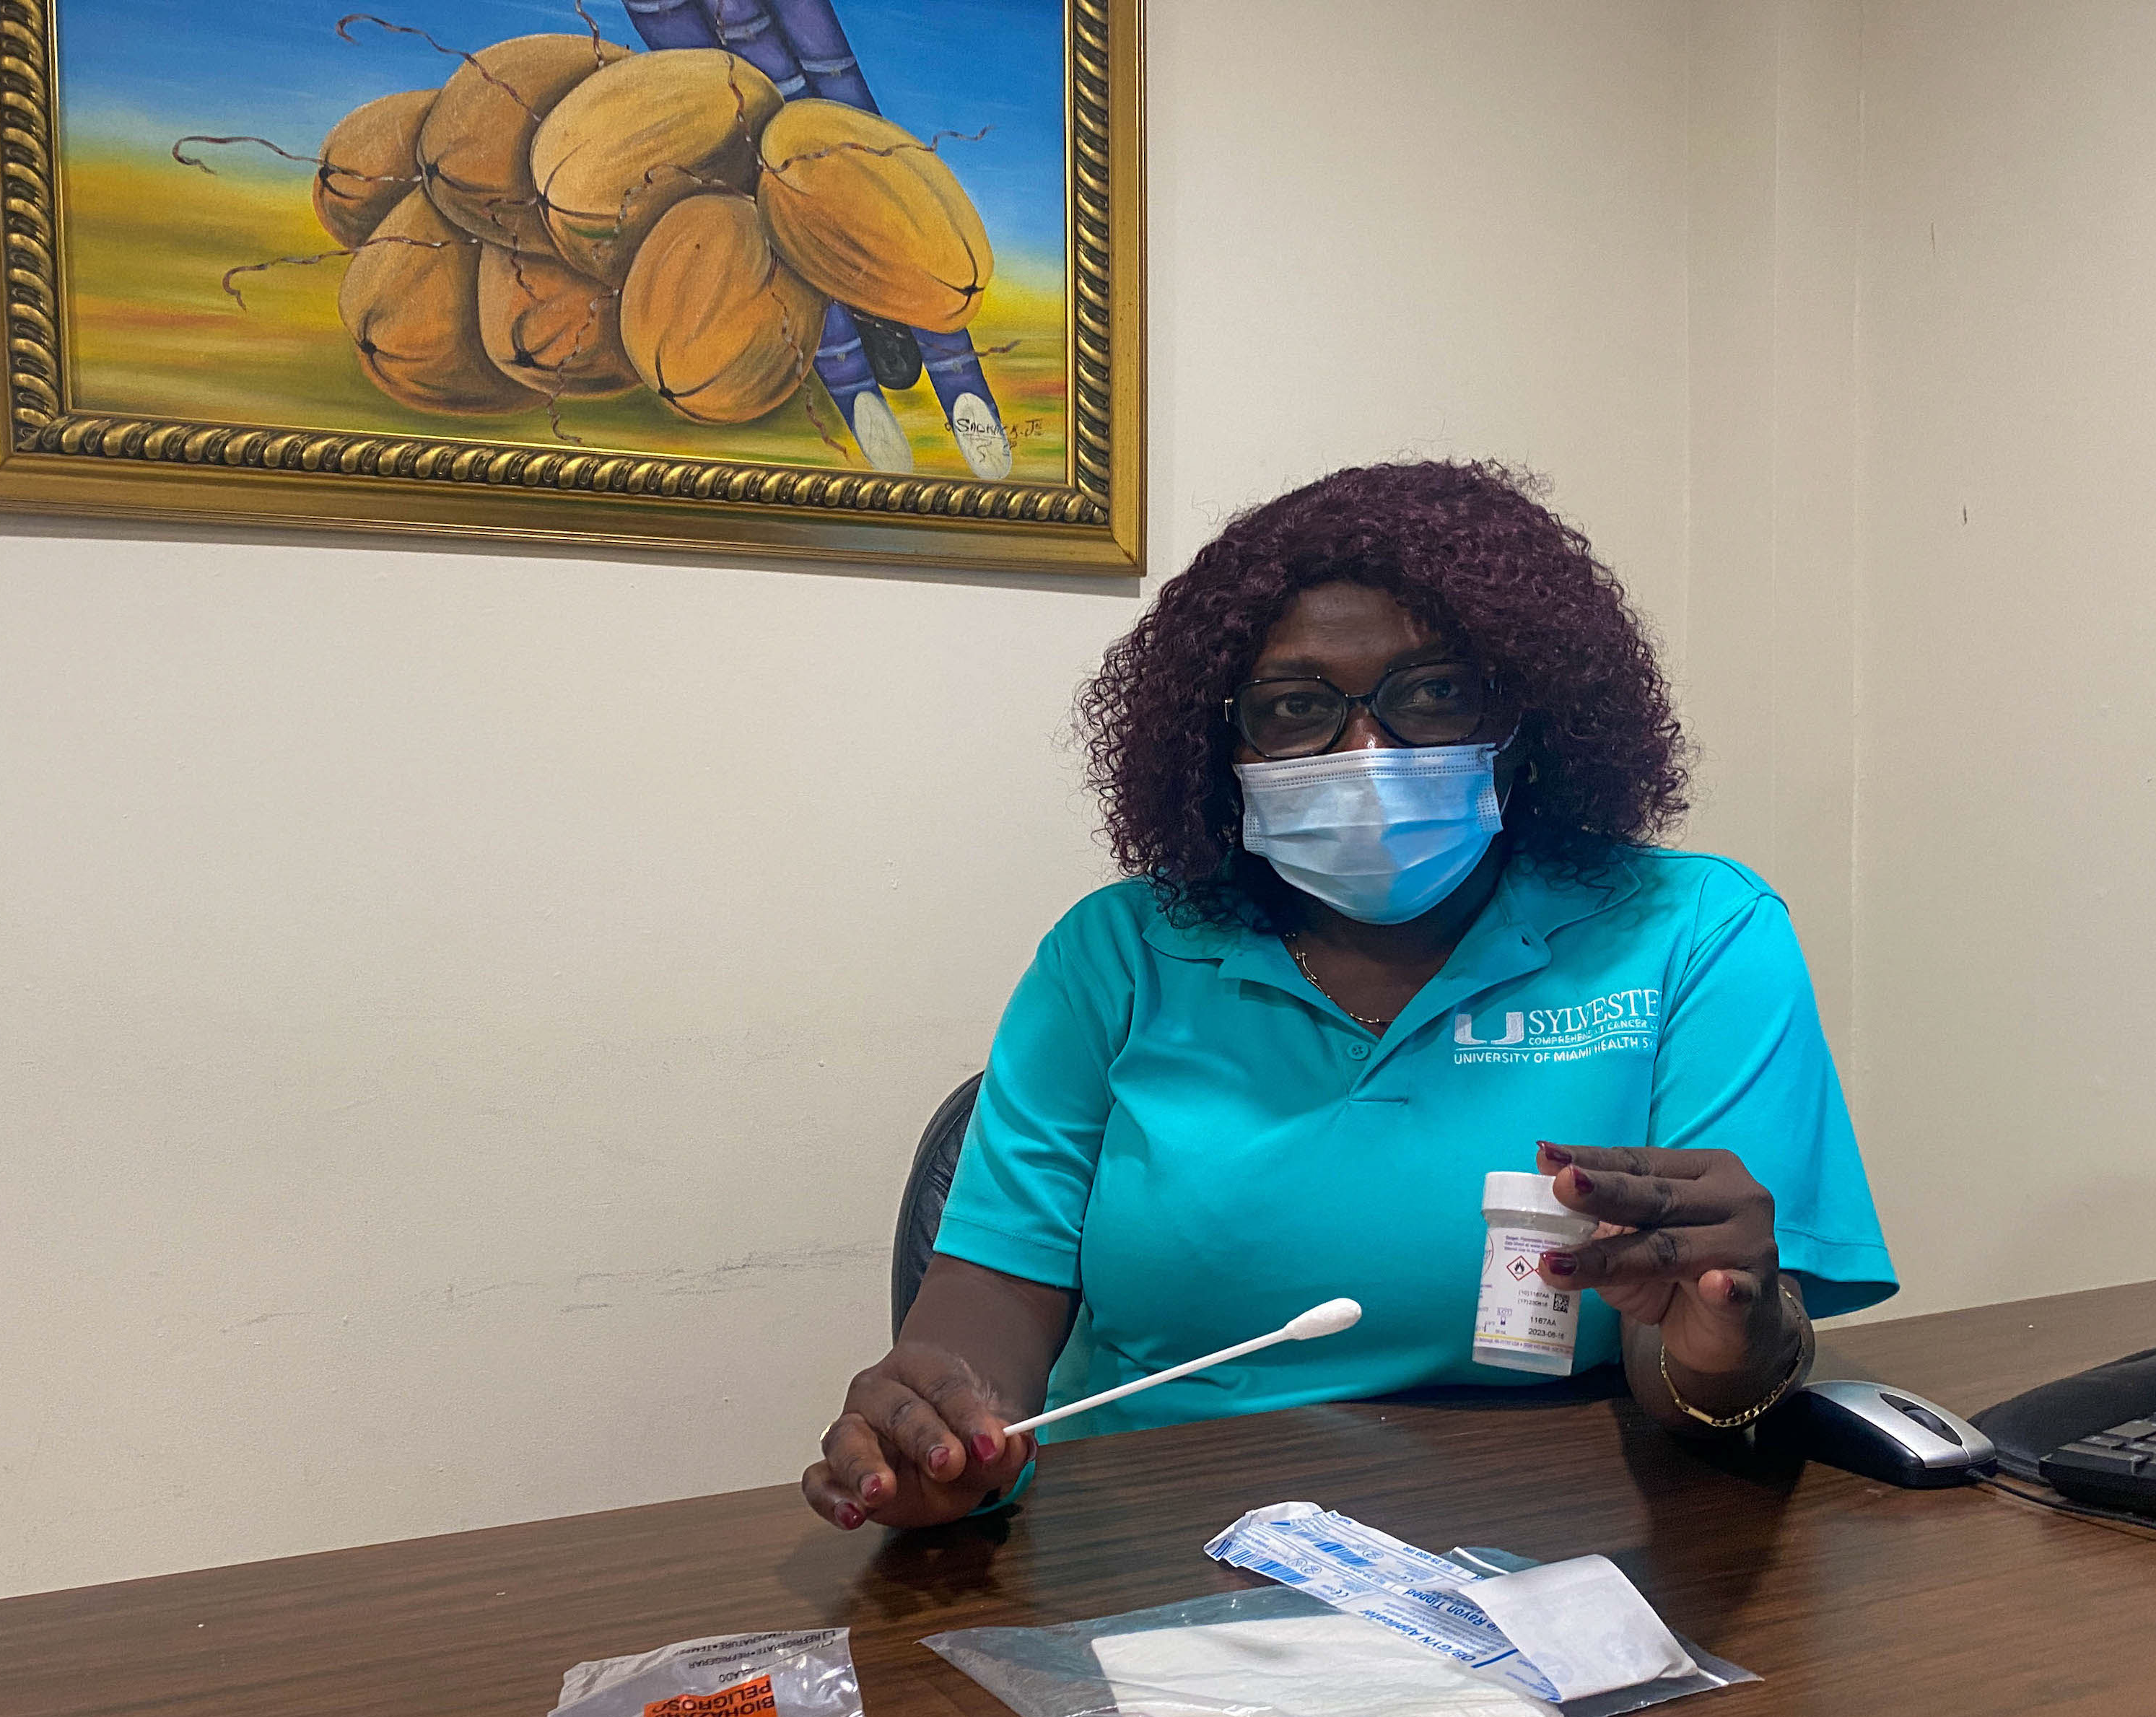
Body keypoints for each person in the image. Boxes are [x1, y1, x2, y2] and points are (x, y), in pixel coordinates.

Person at [802, 460, 1898, 1532]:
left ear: (1526, 720)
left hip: (1558, 1548)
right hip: (1152, 1548)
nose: (1367, 750)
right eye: (1294, 706)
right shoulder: (1117, 955)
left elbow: (1700, 1385)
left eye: (1432, 693)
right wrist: (945, 1432)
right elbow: (987, 1309)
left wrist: (1722, 1343)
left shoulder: (1694, 933)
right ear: (1221, 745)